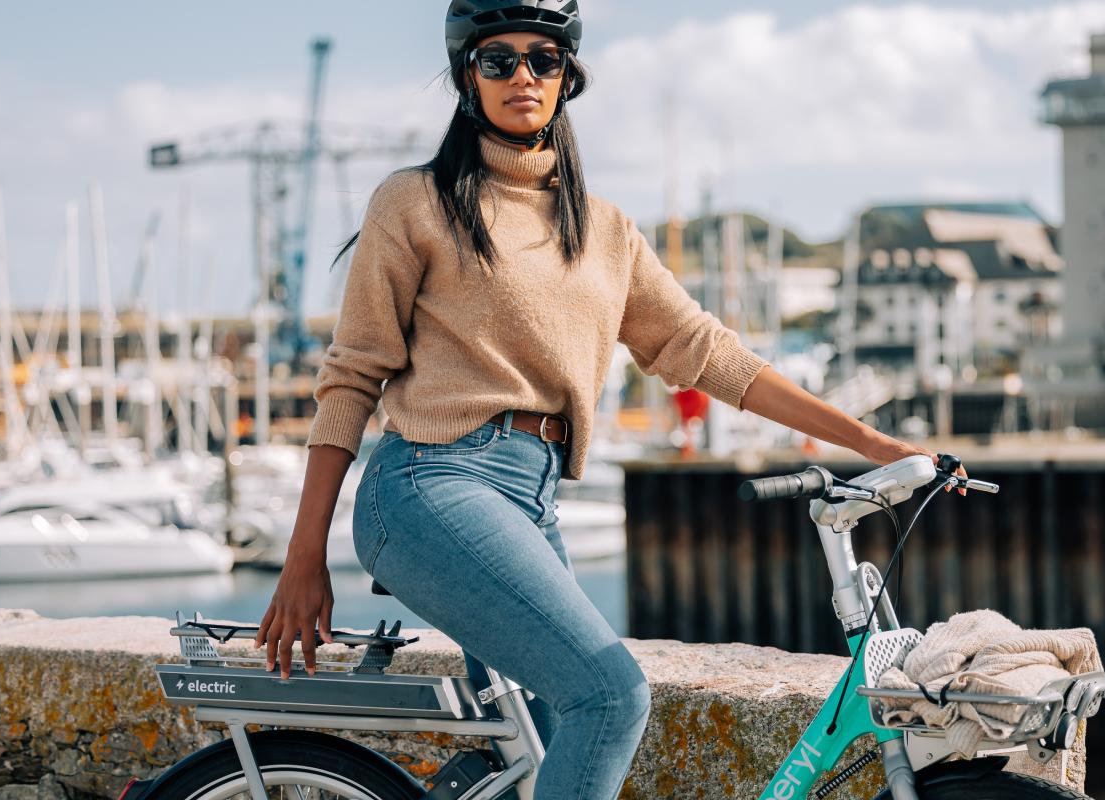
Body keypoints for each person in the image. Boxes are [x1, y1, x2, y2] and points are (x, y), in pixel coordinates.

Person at [255, 2, 962, 797]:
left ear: (567, 78)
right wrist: (303, 557)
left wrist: (877, 446)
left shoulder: (604, 232)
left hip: (534, 498)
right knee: (611, 694)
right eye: (499, 61)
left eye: (544, 60)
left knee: (568, 738)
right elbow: (352, 378)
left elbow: (713, 356)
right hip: (428, 486)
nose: (524, 75)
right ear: (467, 78)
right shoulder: (415, 202)